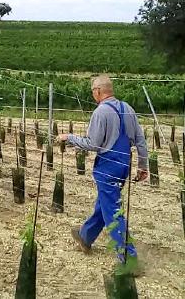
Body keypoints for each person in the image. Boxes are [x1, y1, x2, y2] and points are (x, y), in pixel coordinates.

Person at [57, 75, 148, 268]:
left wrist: (69, 137)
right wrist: (143, 165)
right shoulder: (128, 109)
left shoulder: (101, 112)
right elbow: (140, 140)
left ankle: (128, 259)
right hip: (124, 165)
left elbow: (93, 144)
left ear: (98, 91)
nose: (92, 95)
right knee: (105, 203)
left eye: (92, 92)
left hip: (107, 166)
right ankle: (85, 236)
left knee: (113, 212)